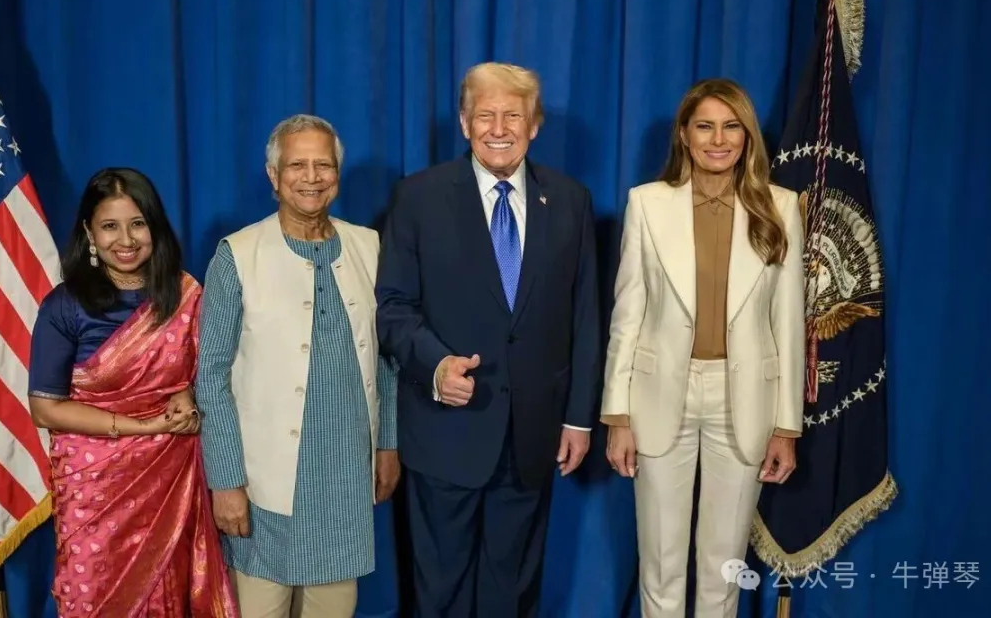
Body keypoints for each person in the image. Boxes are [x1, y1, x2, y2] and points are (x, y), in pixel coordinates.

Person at [375, 61, 600, 617]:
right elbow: (393, 306)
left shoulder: (570, 200)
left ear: (535, 124)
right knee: (440, 592)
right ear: (463, 122)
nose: (498, 129)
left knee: (512, 592)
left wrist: (578, 419)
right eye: (485, 115)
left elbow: (585, 315)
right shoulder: (418, 197)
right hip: (445, 432)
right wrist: (435, 366)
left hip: (531, 437)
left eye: (513, 116)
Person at [600, 78, 805, 617]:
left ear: (747, 136)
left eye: (732, 126)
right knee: (661, 564)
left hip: (744, 401)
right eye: (705, 126)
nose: (719, 139)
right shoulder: (647, 204)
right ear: (684, 135)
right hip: (658, 395)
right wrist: (617, 414)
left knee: (723, 567)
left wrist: (787, 426)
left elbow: (788, 323)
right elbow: (628, 315)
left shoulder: (781, 207)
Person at [196, 114, 400, 618]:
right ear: (273, 175)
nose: (312, 177)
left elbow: (387, 358)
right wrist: (225, 480)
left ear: (338, 174)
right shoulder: (238, 255)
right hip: (262, 484)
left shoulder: (370, 246)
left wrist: (388, 444)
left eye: (323, 165)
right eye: (297, 166)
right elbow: (211, 377)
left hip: (345, 482)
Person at [27, 167, 238, 618]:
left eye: (137, 223)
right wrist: (142, 427)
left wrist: (188, 393)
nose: (125, 239)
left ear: (155, 227)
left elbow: (212, 371)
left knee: (169, 590)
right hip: (94, 487)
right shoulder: (65, 306)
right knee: (93, 596)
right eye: (110, 226)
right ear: (89, 233)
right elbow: (45, 409)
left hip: (171, 479)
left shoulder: (186, 295)